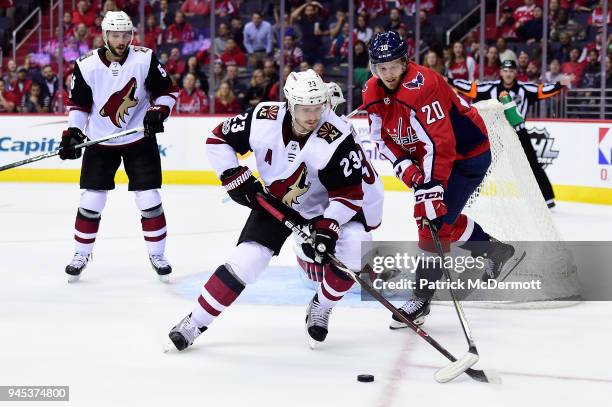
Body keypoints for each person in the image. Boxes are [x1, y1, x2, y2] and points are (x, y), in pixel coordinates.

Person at [167, 70, 378, 351]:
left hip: (325, 207)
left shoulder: (337, 135)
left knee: (358, 246)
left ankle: (322, 305)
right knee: (247, 260)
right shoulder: (263, 117)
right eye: (305, 109)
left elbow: (350, 193)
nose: (313, 116)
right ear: (290, 104)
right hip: (276, 202)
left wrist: (330, 226)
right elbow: (218, 140)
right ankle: (195, 321)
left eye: (317, 108)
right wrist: (232, 174)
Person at [363, 31, 516, 328]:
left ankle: (421, 299)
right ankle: (495, 250)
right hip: (429, 158)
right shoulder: (372, 91)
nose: (388, 73)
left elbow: (441, 144)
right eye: (381, 68)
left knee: (432, 221)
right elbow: (380, 138)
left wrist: (432, 188)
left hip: (468, 155)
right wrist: (404, 166)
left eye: (393, 65)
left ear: (405, 61)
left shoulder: (423, 86)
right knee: (440, 219)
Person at [59, 11, 179, 283]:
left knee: (149, 199)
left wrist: (159, 110)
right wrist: (74, 133)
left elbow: (168, 92)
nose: (121, 39)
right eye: (115, 34)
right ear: (105, 35)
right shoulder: (86, 65)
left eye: (126, 34)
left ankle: (157, 255)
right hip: (101, 142)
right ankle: (81, 254)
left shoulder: (145, 58)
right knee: (91, 201)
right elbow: (79, 105)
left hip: (138, 139)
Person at [450, 59, 573, 208]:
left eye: (511, 71)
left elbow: (543, 90)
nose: (508, 74)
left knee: (532, 164)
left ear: (516, 73)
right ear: (501, 72)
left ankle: (547, 198)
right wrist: (450, 80)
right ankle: (468, 197)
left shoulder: (525, 88)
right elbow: (471, 88)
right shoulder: (490, 88)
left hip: (519, 133)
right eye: (506, 71)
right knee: (483, 164)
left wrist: (560, 84)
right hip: (497, 133)